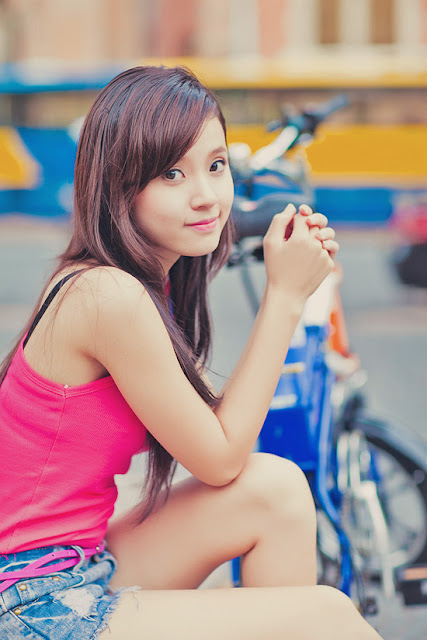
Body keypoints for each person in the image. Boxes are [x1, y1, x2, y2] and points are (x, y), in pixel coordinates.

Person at [0, 65, 382, 640]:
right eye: (172, 173)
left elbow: (227, 456)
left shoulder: (134, 283)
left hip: (76, 560)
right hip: (30, 600)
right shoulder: (108, 295)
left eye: (216, 165)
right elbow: (219, 456)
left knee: (274, 490)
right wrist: (283, 296)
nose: (206, 196)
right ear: (119, 184)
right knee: (326, 616)